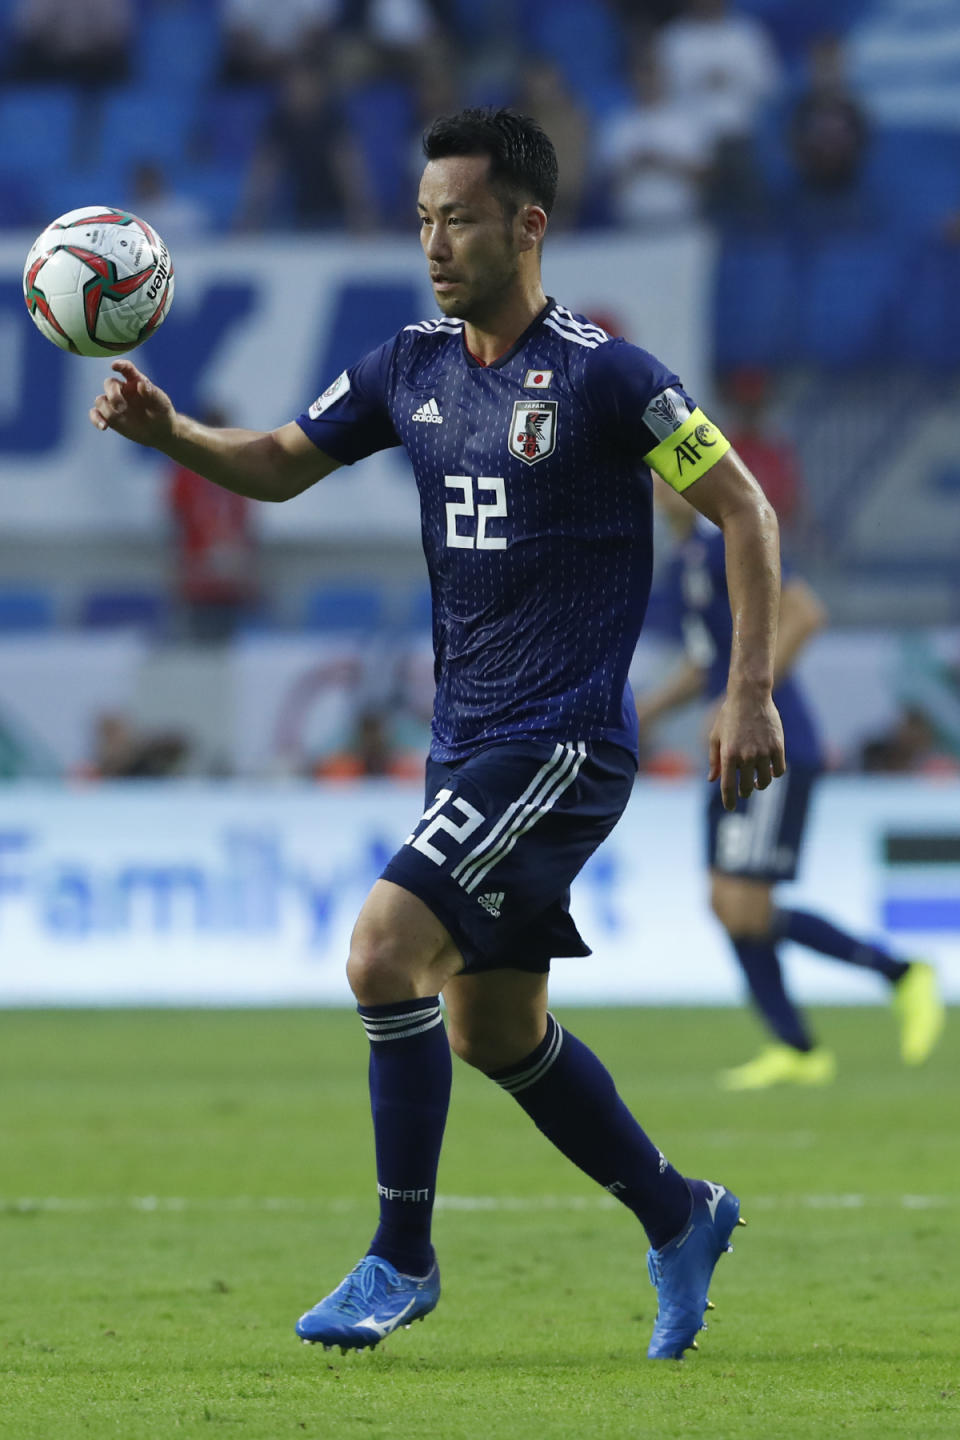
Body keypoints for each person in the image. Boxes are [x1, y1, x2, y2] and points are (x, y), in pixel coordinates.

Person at [90, 107, 785, 1362]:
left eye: (457, 217)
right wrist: (173, 434)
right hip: (469, 745)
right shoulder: (406, 366)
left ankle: (398, 1260)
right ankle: (680, 1213)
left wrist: (747, 690)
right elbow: (285, 461)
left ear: (528, 223)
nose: (434, 242)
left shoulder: (610, 376)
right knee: (492, 1031)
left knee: (379, 952)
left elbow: (743, 510)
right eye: (422, 219)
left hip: (565, 740)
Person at [637, 479, 945, 1090]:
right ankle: (798, 1049)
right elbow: (705, 660)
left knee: (746, 905)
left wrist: (739, 701)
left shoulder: (732, 532)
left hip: (771, 747)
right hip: (733, 747)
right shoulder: (686, 561)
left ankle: (901, 973)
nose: (653, 482)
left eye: (662, 470)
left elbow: (806, 613)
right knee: (728, 906)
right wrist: (642, 714)